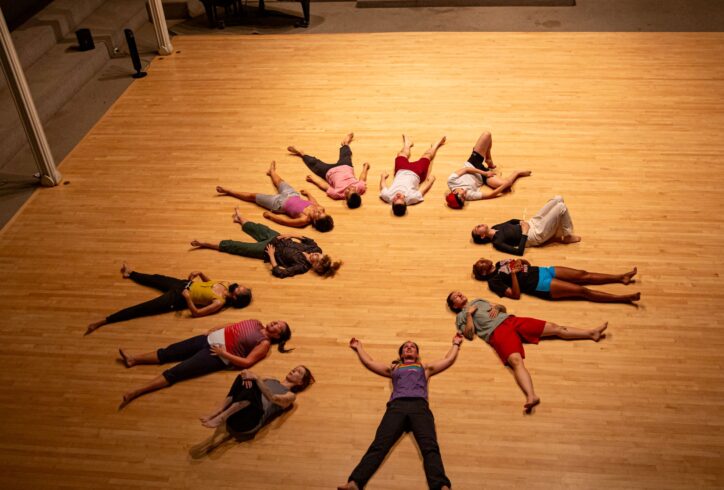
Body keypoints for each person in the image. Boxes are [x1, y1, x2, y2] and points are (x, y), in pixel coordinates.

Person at [446, 291, 607, 413]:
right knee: (516, 361)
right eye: (457, 297)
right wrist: (468, 315)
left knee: (555, 327)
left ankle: (591, 333)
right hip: (496, 333)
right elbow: (469, 334)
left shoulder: (478, 300)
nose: (461, 295)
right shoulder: (460, 317)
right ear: (455, 305)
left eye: (460, 293)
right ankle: (531, 396)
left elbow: (501, 307)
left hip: (511, 320)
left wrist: (497, 307)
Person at [338, 335, 462, 490]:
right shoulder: (394, 368)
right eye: (405, 347)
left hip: (420, 408)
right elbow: (370, 362)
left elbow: (448, 360)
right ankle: (354, 483)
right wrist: (359, 347)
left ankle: (441, 486)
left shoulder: (424, 368)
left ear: (417, 354)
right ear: (401, 354)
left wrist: (456, 344)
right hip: (397, 408)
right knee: (379, 445)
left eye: (412, 347)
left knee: (430, 447)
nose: (409, 347)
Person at [117, 319, 292, 408]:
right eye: (277, 321)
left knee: (176, 372)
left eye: (279, 326)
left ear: (278, 336)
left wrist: (223, 354)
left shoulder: (264, 344)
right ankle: (134, 359)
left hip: (215, 356)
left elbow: (247, 362)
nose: (275, 322)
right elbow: (234, 325)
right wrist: (216, 328)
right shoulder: (255, 322)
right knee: (168, 352)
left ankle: (135, 392)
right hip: (206, 339)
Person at [85, 263, 252, 335]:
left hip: (178, 298)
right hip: (183, 283)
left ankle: (105, 321)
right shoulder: (226, 283)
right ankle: (131, 273)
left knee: (144, 308)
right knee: (157, 278)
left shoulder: (219, 303)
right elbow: (210, 283)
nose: (237, 285)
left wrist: (187, 299)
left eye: (239, 289)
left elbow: (197, 314)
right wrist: (201, 274)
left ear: (236, 297)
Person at [190, 208, 341, 278]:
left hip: (267, 249)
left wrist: (271, 257)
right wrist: (290, 234)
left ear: (315, 266)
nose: (316, 254)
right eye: (319, 255)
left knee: (237, 247)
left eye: (317, 258)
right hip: (278, 236)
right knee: (256, 227)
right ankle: (240, 219)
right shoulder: (316, 248)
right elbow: (308, 239)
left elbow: (280, 272)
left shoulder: (301, 267)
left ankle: (205, 244)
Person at [199, 365, 314, 438]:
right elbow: (249, 377)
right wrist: (245, 374)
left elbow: (272, 398)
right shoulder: (271, 378)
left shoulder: (291, 396)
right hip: (235, 417)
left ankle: (221, 417)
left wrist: (256, 378)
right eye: (295, 368)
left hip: (249, 423)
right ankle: (218, 412)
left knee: (253, 387)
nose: (294, 370)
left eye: (298, 372)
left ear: (300, 382)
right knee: (243, 379)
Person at [216, 160, 334, 232]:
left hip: (278, 203)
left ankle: (228, 191)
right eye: (320, 212)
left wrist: (271, 216)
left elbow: (284, 221)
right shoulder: (319, 208)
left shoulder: (303, 220)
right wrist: (309, 194)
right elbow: (314, 202)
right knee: (280, 181)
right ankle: (271, 171)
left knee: (253, 196)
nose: (317, 211)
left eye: (318, 215)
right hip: (292, 195)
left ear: (315, 222)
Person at [473, 258, 641, 304]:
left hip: (543, 270)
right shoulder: (493, 282)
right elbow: (515, 295)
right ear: (483, 272)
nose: (483, 261)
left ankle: (621, 277)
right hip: (540, 285)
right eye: (480, 265)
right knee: (582, 291)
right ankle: (623, 298)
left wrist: (522, 261)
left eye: (481, 259)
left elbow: (527, 265)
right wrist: (515, 274)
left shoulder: (498, 263)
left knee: (584, 275)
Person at [445, 131, 531, 208]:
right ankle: (517, 173)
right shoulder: (468, 196)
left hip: (473, 164)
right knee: (506, 184)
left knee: (487, 134)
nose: (464, 195)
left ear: (455, 192)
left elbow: (466, 169)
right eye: (464, 199)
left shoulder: (451, 181)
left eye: (462, 196)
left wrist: (484, 173)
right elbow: (491, 194)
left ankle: (488, 158)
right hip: (483, 178)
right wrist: (505, 185)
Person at [471, 195, 581, 255]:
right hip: (534, 235)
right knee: (561, 207)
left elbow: (511, 221)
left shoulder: (495, 227)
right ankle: (567, 235)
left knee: (558, 198)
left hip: (531, 223)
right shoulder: (497, 242)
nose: (478, 225)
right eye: (477, 229)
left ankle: (557, 229)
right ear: (482, 236)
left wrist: (521, 222)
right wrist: (524, 232)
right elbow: (519, 252)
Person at [287, 132, 370, 209]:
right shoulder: (360, 188)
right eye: (352, 189)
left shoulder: (337, 194)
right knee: (346, 153)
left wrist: (313, 180)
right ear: (358, 193)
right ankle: (345, 143)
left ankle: (301, 153)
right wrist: (365, 167)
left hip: (329, 172)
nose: (350, 188)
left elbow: (325, 187)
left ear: (346, 199)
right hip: (345, 166)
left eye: (348, 192)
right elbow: (362, 179)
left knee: (313, 164)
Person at [379, 134, 445, 216]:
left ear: (392, 202)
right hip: (417, 173)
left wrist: (383, 177)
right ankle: (436, 145)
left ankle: (407, 144)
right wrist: (430, 181)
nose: (398, 196)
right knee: (427, 155)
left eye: (395, 199)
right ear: (405, 202)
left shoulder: (387, 196)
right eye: (401, 199)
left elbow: (383, 186)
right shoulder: (411, 198)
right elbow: (422, 190)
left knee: (401, 153)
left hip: (400, 170)